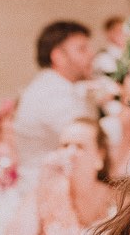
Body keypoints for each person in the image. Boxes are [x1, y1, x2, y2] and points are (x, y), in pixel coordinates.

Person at [3, 119, 117, 235]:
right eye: (65, 145)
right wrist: (42, 184)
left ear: (100, 155)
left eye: (80, 146)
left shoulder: (115, 198)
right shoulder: (46, 192)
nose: (70, 153)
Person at [11, 19, 97, 163]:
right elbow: (88, 140)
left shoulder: (54, 86)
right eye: (82, 49)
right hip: (46, 180)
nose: (91, 55)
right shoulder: (50, 93)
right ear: (58, 57)